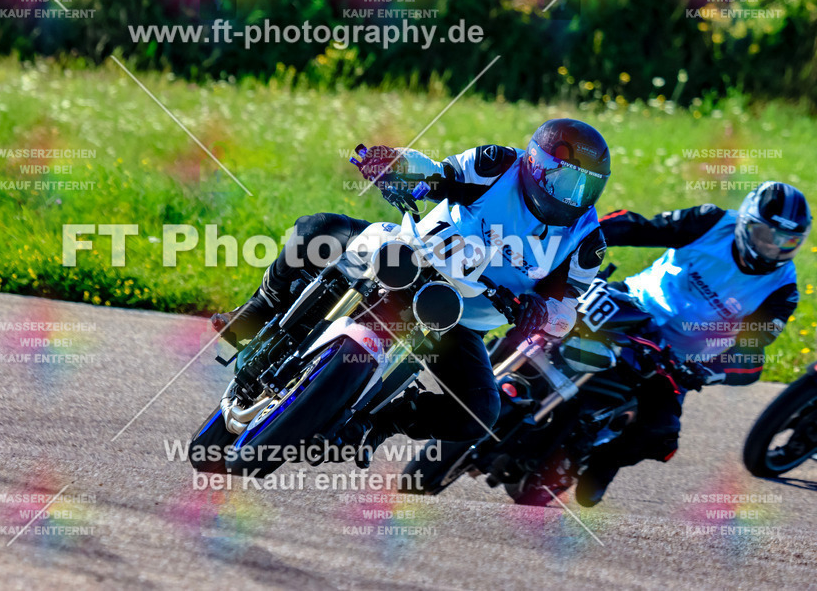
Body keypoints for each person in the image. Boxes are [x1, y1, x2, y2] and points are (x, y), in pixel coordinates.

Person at [211, 118, 611, 466]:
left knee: (480, 412)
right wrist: (394, 163)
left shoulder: (586, 241)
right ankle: (256, 312)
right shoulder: (498, 164)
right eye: (566, 181)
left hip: (457, 319)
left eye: (585, 188)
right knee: (317, 229)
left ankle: (380, 423)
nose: (572, 196)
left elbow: (566, 309)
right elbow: (437, 174)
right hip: (412, 255)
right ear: (536, 164)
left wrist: (542, 314)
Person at [577, 181, 811, 506]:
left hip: (675, 358)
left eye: (787, 241)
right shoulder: (710, 221)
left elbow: (750, 351)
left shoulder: (782, 291)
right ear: (745, 223)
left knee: (660, 434)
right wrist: (585, 234)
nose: (773, 247)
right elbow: (641, 228)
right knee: (551, 317)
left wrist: (703, 371)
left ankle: (605, 463)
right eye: (765, 235)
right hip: (631, 304)